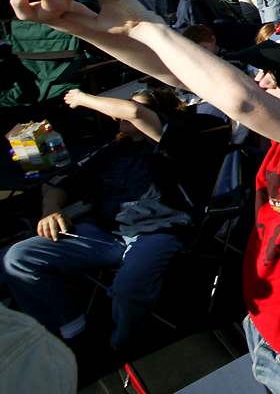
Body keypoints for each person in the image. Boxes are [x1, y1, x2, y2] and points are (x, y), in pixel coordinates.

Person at [10, 0, 280, 394]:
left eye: (278, 74)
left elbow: (244, 99)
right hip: (267, 323)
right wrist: (73, 22)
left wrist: (144, 24)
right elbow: (175, 73)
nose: (264, 80)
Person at [3, 86, 227, 352]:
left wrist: (83, 98)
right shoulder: (109, 151)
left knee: (128, 286)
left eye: (143, 107)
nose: (125, 113)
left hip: (157, 232)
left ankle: (123, 345)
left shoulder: (176, 140)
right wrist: (50, 210)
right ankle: (71, 329)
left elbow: (134, 112)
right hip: (104, 232)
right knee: (18, 257)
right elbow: (56, 183)